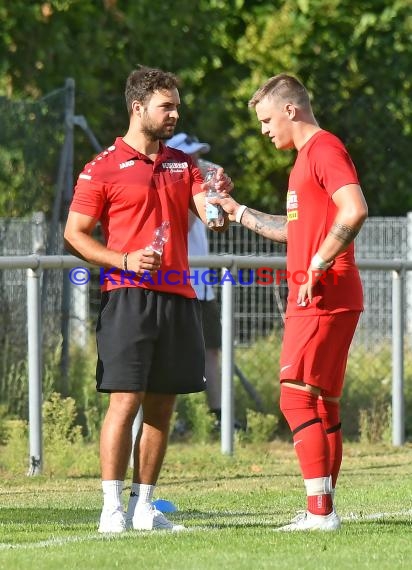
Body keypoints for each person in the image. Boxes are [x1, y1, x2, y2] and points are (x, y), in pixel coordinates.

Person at [63, 66, 232, 533]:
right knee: (125, 401)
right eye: (167, 106)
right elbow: (74, 234)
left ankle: (144, 508)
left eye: (177, 105)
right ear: (138, 108)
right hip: (128, 296)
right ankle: (111, 509)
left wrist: (217, 205)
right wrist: (122, 259)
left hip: (180, 297)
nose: (175, 114)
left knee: (163, 405)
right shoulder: (101, 168)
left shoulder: (184, 164)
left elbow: (207, 212)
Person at [212, 73, 368, 531]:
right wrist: (237, 210)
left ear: (291, 110)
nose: (263, 130)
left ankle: (320, 514)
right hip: (330, 290)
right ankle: (325, 507)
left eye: (266, 120)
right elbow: (296, 228)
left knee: (294, 399)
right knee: (322, 404)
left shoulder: (323, 149)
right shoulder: (305, 160)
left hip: (321, 289)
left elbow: (355, 209)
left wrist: (317, 262)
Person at [165, 133, 223, 428]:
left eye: (198, 155)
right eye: (190, 156)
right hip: (176, 282)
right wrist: (198, 193)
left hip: (202, 285)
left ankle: (218, 418)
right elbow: (182, 225)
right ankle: (171, 418)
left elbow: (215, 224)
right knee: (172, 353)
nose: (196, 161)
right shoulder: (170, 185)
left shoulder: (199, 182)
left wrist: (215, 194)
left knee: (211, 350)